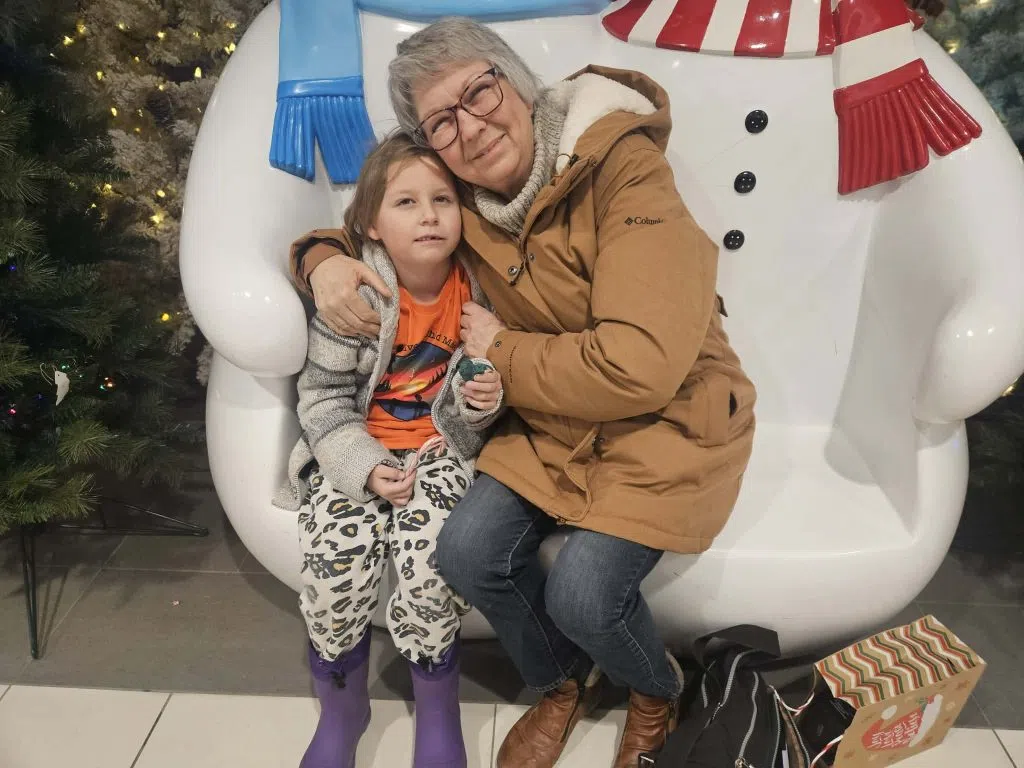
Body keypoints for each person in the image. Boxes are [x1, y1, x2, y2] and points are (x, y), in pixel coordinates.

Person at [288, 18, 756, 768]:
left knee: (583, 595)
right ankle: (563, 681)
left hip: (664, 420)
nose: (470, 127)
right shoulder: (466, 199)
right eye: (442, 121)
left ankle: (655, 687)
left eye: (479, 91)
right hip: (551, 420)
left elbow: (641, 365)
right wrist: (322, 259)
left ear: (521, 84)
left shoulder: (625, 169)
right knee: (468, 552)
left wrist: (501, 349)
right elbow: (388, 217)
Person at [273, 131, 505, 768]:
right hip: (352, 451)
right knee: (334, 565)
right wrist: (365, 465)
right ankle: (342, 708)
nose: (429, 215)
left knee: (434, 565)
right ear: (371, 224)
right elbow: (323, 401)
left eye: (442, 200)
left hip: (440, 454)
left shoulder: (478, 294)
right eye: (406, 202)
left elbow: (479, 406)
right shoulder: (358, 298)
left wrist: (483, 397)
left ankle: (437, 709)